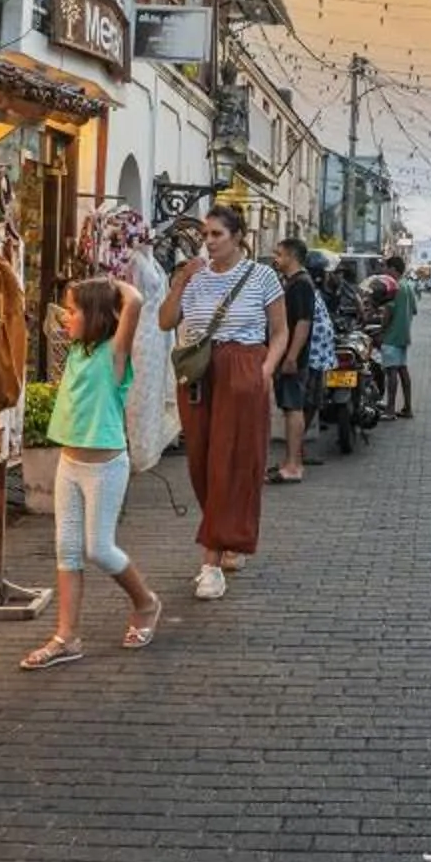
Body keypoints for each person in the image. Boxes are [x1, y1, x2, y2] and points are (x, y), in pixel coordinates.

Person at [19, 277, 162, 669]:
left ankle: (146, 603)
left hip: (105, 468)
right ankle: (66, 637)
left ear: (97, 315)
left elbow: (133, 299)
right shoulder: (78, 352)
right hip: (69, 464)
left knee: (98, 548)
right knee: (67, 550)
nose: (67, 316)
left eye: (75, 310)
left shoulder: (115, 354)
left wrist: (105, 281)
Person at [161, 203, 286, 600]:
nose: (208, 242)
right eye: (205, 235)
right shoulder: (193, 276)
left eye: (216, 234)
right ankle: (226, 535)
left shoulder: (262, 276)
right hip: (198, 371)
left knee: (230, 463)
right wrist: (181, 281)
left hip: (242, 365)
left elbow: (279, 331)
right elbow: (165, 321)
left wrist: (263, 372)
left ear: (237, 237)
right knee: (200, 462)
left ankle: (210, 563)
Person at [270, 238, 320, 483]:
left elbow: (303, 322)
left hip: (292, 357)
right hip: (287, 355)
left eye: (279, 254)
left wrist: (291, 356)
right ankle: (290, 460)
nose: (275, 259)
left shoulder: (301, 284)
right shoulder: (294, 282)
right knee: (290, 407)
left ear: (291, 256)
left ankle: (293, 464)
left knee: (293, 408)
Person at [375, 258, 419, 420]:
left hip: (392, 336)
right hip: (404, 334)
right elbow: (413, 310)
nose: (384, 272)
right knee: (402, 370)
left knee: (391, 371)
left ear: (393, 269)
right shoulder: (408, 286)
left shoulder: (393, 287)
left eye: (386, 268)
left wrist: (381, 330)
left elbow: (388, 313)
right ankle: (407, 407)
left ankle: (390, 409)